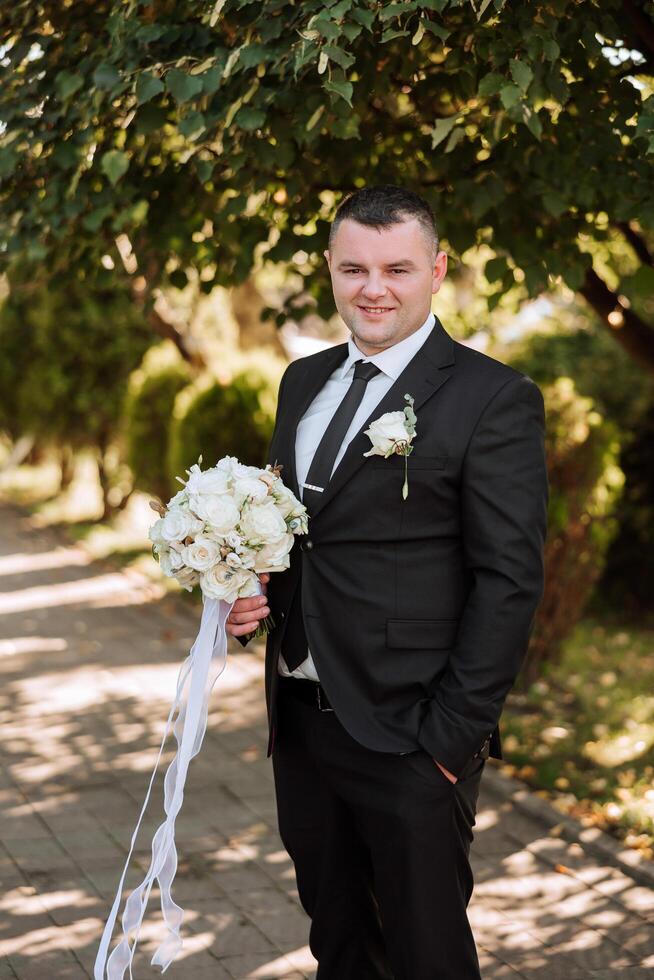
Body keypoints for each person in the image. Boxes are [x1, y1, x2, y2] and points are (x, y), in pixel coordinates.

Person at [227, 185, 548, 980]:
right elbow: (304, 536)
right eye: (354, 269)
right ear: (330, 272)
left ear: (437, 271)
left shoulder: (492, 398)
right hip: (300, 723)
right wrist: (247, 592)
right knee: (339, 946)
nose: (374, 289)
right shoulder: (301, 382)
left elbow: (508, 581)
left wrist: (448, 742)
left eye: (397, 269)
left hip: (410, 734)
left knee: (426, 955)